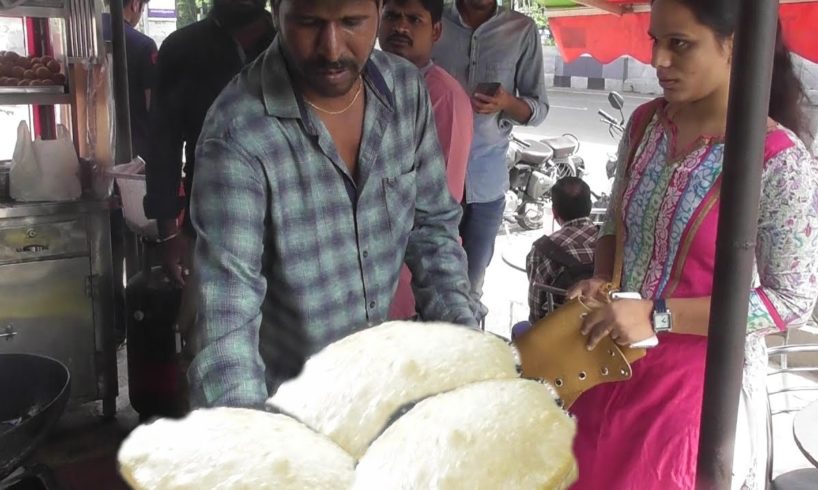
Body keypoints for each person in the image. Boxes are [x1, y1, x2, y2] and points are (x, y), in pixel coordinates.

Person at [567, 0, 818, 488]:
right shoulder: (645, 124)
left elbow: (793, 300)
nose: (659, 60)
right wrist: (601, 280)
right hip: (605, 360)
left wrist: (658, 313)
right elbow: (613, 224)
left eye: (679, 44)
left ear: (735, 45)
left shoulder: (779, 162)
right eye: (655, 41)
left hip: (698, 389)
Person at [187, 0, 480, 408]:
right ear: (276, 12)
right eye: (308, 23)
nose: (331, 48)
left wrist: (468, 344)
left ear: (378, 9)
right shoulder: (238, 133)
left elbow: (432, 233)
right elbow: (225, 318)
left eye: (352, 22)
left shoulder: (406, 93)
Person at [143, 0, 276, 286]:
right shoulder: (181, 49)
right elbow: (162, 145)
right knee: (212, 326)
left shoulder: (292, 46)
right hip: (208, 233)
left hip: (290, 232)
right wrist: (168, 233)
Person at [432, 0, 548, 301]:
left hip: (486, 188)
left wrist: (507, 103)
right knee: (427, 283)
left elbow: (538, 108)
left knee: (471, 289)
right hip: (432, 186)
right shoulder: (432, 20)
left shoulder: (521, 30)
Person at [377, 0, 473, 320]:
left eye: (413, 19)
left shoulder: (442, 96)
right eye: (391, 16)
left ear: (436, 30)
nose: (400, 27)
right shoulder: (364, 83)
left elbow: (436, 209)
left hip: (406, 275)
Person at [526, 176, 596, 324]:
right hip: (607, 336)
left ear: (554, 212)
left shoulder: (542, 249)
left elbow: (536, 311)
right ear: (590, 206)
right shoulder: (610, 241)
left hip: (558, 338)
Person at [122, 0, 157, 160]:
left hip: (96, 146)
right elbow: (153, 103)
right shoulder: (144, 45)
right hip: (137, 151)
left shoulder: (91, 37)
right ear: (135, 4)